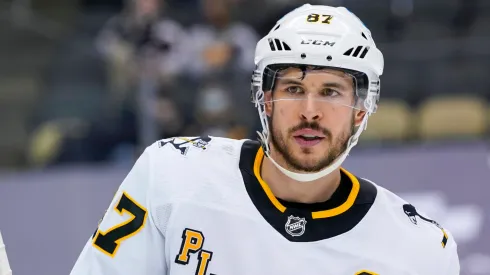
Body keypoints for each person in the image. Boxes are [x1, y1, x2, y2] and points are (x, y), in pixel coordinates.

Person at [70, 4, 460, 274]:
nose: (310, 110)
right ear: (265, 99)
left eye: (330, 92)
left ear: (362, 109)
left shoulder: (420, 250)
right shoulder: (172, 173)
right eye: (293, 88)